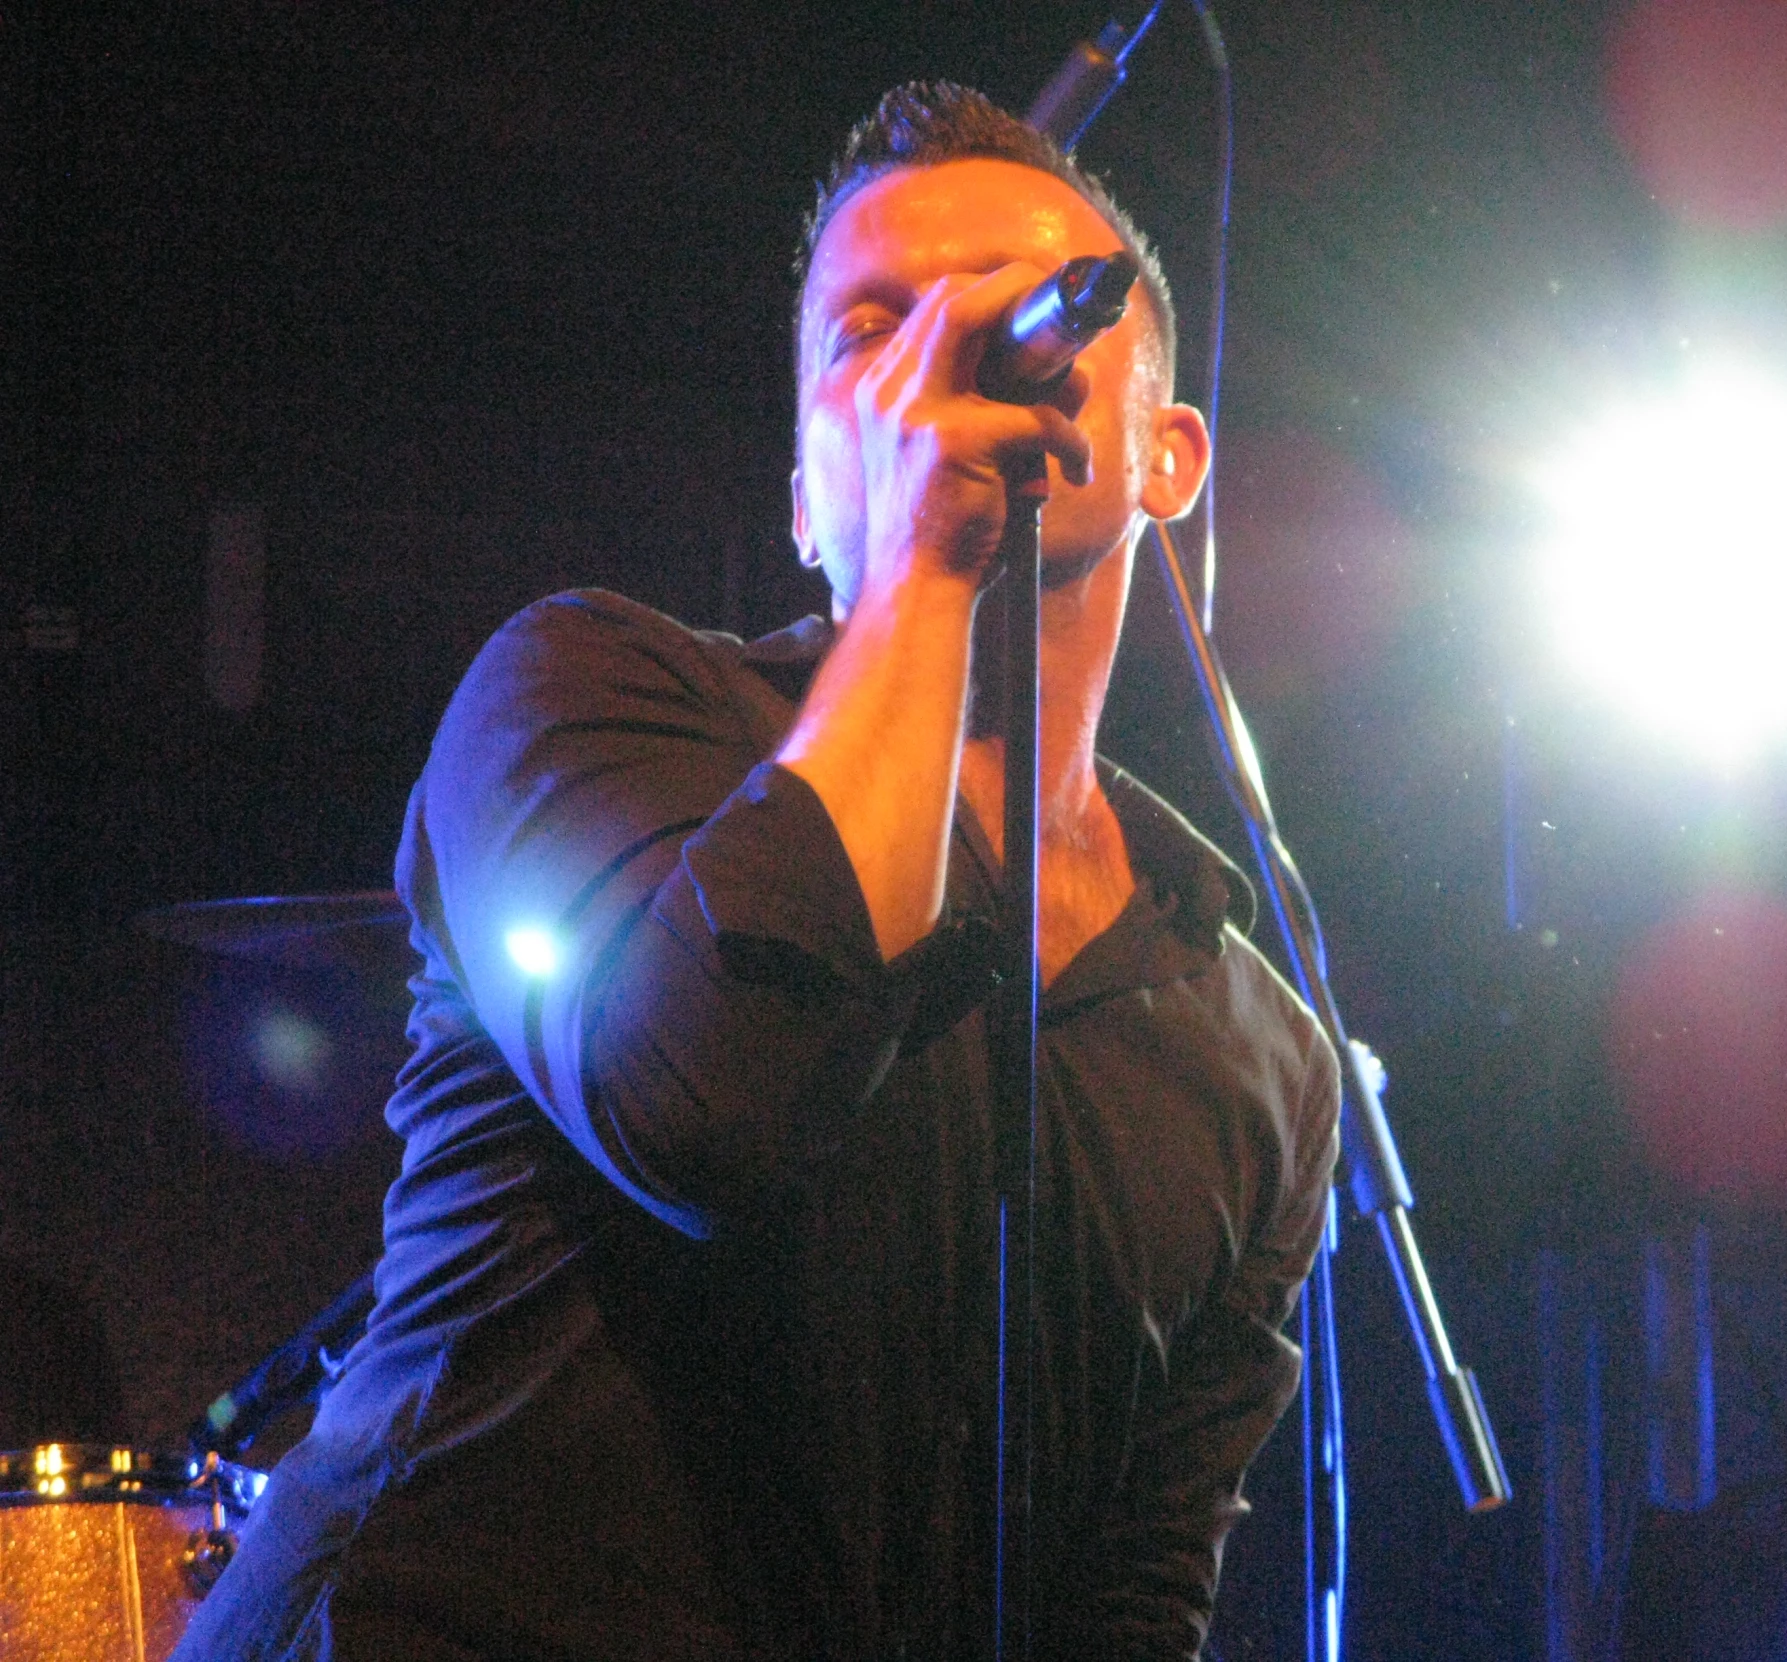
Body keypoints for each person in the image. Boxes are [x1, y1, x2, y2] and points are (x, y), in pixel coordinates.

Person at [176, 81, 1338, 1662]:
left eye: (1032, 310)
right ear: (806, 496)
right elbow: (711, 1101)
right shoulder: (584, 699)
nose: (951, 366)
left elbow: (1128, 1594)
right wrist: (933, 562)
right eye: (874, 335)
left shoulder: (1255, 1049)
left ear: (1168, 456)